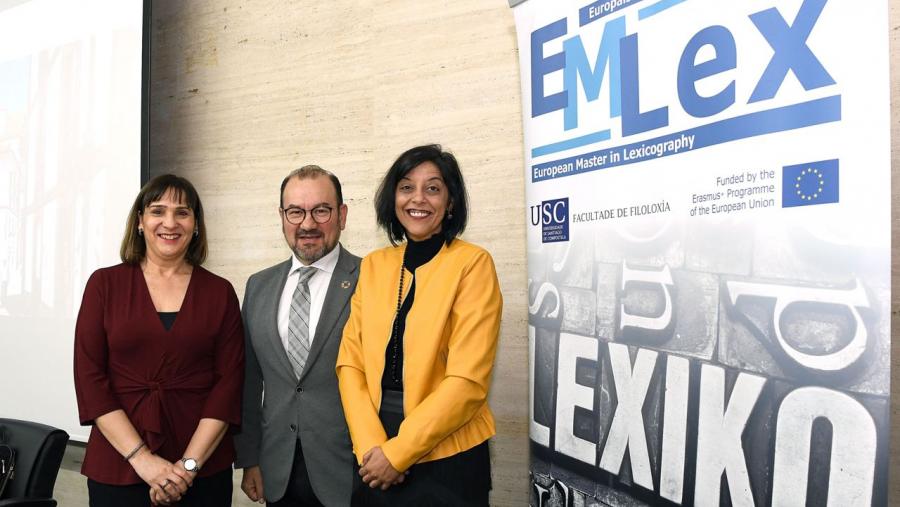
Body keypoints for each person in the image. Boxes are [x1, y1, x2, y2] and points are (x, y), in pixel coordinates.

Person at [336, 144, 503, 506]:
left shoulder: (473, 264)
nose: (418, 199)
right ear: (393, 198)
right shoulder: (374, 265)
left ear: (451, 201)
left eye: (433, 188)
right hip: (374, 448)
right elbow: (350, 362)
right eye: (407, 187)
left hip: (448, 452)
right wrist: (371, 447)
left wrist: (399, 454)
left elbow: (467, 382)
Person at [73, 174, 245, 507]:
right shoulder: (103, 285)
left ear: (195, 224)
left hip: (202, 471)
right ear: (140, 222)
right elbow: (90, 380)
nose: (170, 222)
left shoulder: (220, 292)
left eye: (182, 212)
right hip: (119, 464)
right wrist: (144, 461)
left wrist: (187, 468)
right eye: (158, 211)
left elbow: (229, 385)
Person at [235, 166, 360, 506]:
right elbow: (248, 381)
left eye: (321, 210)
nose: (307, 224)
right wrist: (249, 459)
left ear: (342, 215)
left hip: (353, 472)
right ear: (282, 216)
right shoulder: (258, 286)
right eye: (295, 212)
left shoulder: (371, 279)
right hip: (277, 470)